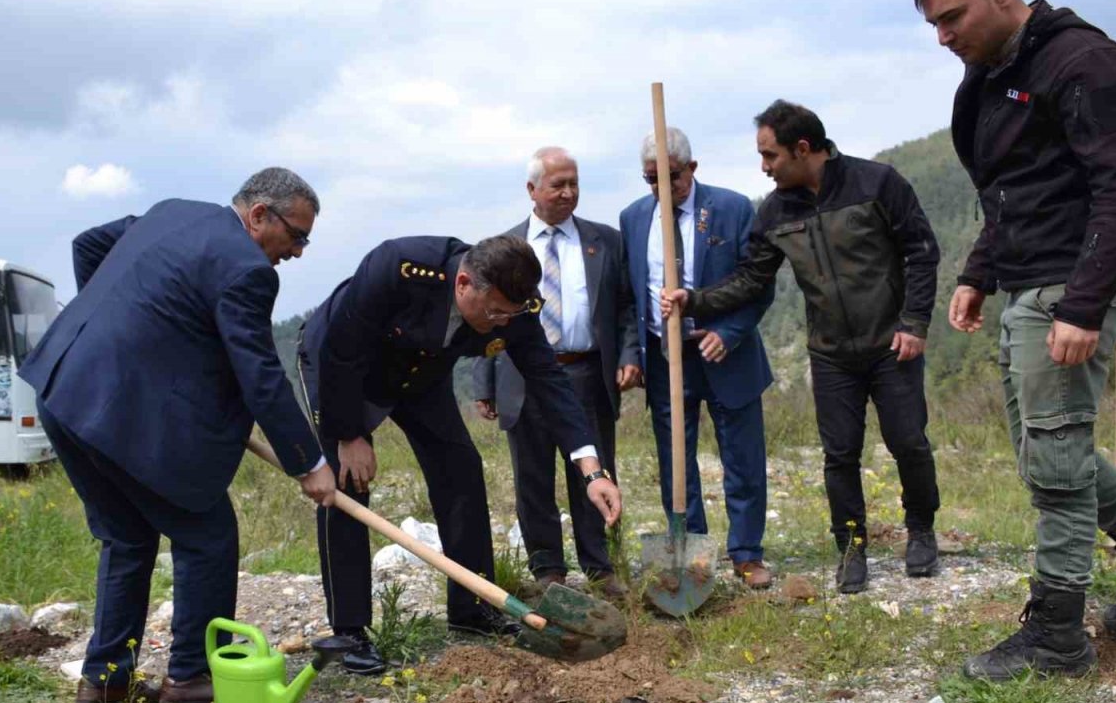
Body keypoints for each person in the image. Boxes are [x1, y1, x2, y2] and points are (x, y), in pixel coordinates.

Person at [19, 168, 337, 703]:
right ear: (259, 215)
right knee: (208, 535)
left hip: (62, 388)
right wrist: (308, 461)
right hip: (116, 410)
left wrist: (120, 326)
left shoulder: (171, 211)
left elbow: (88, 243)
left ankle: (105, 683)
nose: (300, 251)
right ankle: (191, 677)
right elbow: (260, 374)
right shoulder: (247, 271)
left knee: (127, 538)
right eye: (297, 236)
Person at [917, 0, 1116, 679]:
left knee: (1053, 466)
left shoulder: (1086, 61)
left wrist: (1084, 303)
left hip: (1070, 285)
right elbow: (1011, 191)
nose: (944, 37)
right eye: (933, 25)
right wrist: (977, 272)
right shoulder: (991, 75)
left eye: (952, 17)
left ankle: (1056, 639)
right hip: (1026, 283)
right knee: (1045, 451)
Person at [299, 234, 623, 674]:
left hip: (421, 376)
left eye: (508, 315)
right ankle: (349, 631)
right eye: (493, 313)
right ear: (464, 283)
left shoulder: (512, 308)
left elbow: (547, 379)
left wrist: (591, 470)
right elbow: (341, 349)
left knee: (462, 470)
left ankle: (472, 611)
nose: (499, 324)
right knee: (346, 486)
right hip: (342, 367)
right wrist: (350, 434)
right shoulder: (398, 267)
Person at [663, 101, 942, 595]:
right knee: (840, 453)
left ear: (803, 149)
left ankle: (921, 530)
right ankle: (851, 547)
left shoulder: (877, 183)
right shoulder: (775, 210)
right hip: (831, 352)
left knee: (908, 442)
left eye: (769, 155)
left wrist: (914, 322)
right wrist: (696, 300)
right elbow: (752, 278)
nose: (764, 166)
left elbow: (921, 251)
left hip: (891, 344)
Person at [471, 147, 640, 597]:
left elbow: (625, 308)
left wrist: (629, 354)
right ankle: (548, 569)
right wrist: (484, 383)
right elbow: (486, 317)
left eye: (574, 184)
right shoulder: (505, 246)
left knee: (592, 467)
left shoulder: (605, 241)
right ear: (532, 190)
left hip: (585, 371)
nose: (568, 193)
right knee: (532, 475)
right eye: (557, 185)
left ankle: (600, 567)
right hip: (520, 378)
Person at [621, 127, 775, 590]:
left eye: (671, 178)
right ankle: (692, 552)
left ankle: (746, 553)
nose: (662, 189)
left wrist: (728, 332)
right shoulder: (633, 219)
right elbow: (630, 298)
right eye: (652, 180)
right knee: (676, 461)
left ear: (692, 168)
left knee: (742, 458)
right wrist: (633, 353)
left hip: (726, 353)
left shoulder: (731, 209)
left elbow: (758, 282)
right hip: (666, 357)